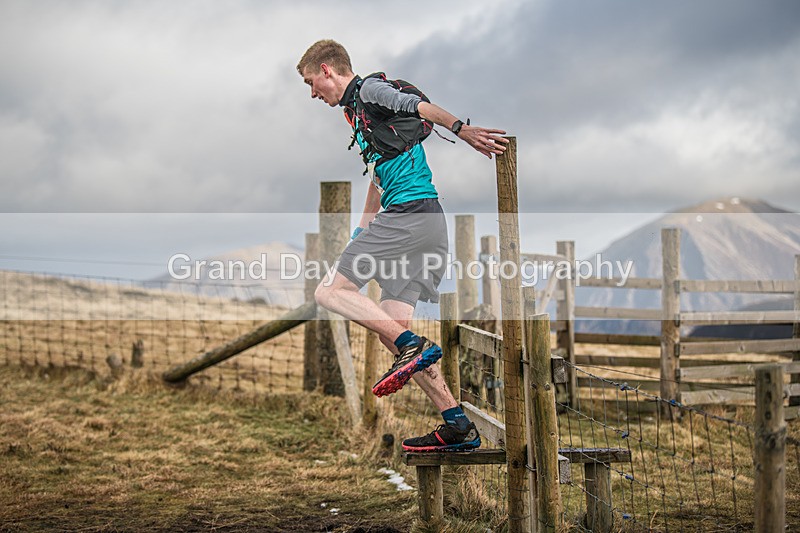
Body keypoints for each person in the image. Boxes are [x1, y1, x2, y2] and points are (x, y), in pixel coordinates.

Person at [297, 39, 508, 452]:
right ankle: (456, 424)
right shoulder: (358, 117)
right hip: (427, 225)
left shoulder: (370, 91)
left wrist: (464, 132)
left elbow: (420, 109)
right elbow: (379, 176)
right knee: (390, 334)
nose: (311, 94)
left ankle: (414, 347)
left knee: (329, 292)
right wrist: (361, 234)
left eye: (310, 82)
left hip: (409, 218)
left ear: (327, 70)